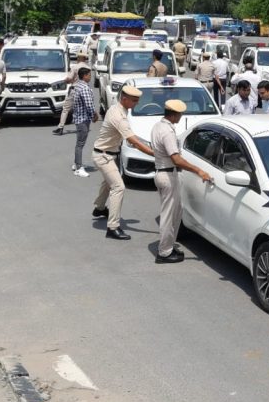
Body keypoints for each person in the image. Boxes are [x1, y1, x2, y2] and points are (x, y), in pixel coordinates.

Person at [151, 99, 213, 263]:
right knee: (168, 215)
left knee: (175, 212)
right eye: (180, 114)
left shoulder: (159, 126)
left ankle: (168, 247)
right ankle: (164, 252)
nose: (181, 116)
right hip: (168, 175)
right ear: (174, 114)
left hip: (164, 173)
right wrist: (199, 170)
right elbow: (176, 159)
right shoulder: (167, 132)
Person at [91, 85, 154, 240]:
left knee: (108, 182)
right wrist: (155, 154)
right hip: (103, 156)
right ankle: (113, 227)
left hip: (108, 154)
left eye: (138, 100)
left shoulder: (117, 108)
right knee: (118, 186)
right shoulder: (119, 117)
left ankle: (99, 209)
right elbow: (134, 142)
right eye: (134, 100)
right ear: (124, 99)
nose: (136, 103)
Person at [69, 67, 98, 177]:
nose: (90, 77)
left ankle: (77, 164)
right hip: (83, 119)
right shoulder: (84, 88)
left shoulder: (79, 85)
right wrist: (94, 115)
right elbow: (89, 105)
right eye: (89, 75)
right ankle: (79, 167)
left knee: (79, 143)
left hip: (78, 117)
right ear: (84, 76)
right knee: (80, 144)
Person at [54, 51, 91, 135]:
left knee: (66, 108)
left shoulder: (75, 67)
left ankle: (60, 127)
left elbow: (69, 78)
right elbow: (89, 80)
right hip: (84, 89)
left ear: (79, 58)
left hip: (74, 89)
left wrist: (65, 81)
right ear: (85, 59)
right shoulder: (88, 68)